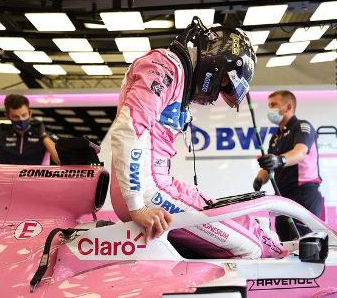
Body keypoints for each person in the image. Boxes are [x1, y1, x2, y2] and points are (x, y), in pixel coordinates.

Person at [110, 17, 288, 259]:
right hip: (147, 194)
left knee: (246, 222)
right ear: (218, 62)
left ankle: (271, 243)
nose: (219, 91)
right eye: (225, 81)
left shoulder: (178, 73)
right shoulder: (164, 66)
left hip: (158, 188)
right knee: (250, 248)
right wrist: (137, 206)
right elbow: (129, 129)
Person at [253, 90, 323, 218]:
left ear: (289, 107)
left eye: (274, 105)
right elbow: (269, 166)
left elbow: (300, 152)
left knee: (303, 237)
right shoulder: (275, 137)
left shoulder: (301, 126)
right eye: (269, 106)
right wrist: (259, 179)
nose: (270, 109)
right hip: (281, 196)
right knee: (284, 237)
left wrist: (279, 160)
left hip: (303, 193)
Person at [0, 94, 60, 165]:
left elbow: (59, 160)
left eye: (24, 115)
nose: (21, 119)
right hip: (8, 181)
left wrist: (43, 135)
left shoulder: (43, 134)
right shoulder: (1, 135)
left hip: (35, 182)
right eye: (15, 116)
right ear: (7, 116)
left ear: (30, 113)